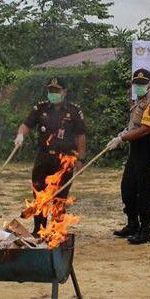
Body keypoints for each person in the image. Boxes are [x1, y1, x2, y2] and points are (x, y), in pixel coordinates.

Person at [15, 77, 87, 235]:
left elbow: (81, 135)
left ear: (64, 92)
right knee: (39, 194)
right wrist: (20, 135)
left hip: (64, 159)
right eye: (50, 90)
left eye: (56, 90)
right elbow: (26, 124)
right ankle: (39, 229)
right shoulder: (40, 108)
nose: (53, 93)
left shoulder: (74, 110)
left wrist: (81, 159)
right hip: (44, 157)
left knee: (59, 197)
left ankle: (56, 231)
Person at [106, 68, 150, 245]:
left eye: (142, 84)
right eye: (136, 84)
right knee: (128, 188)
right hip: (135, 152)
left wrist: (122, 138)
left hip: (148, 151)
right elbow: (134, 125)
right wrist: (123, 133)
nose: (139, 87)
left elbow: (145, 129)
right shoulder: (137, 101)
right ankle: (132, 224)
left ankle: (144, 230)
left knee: (146, 192)